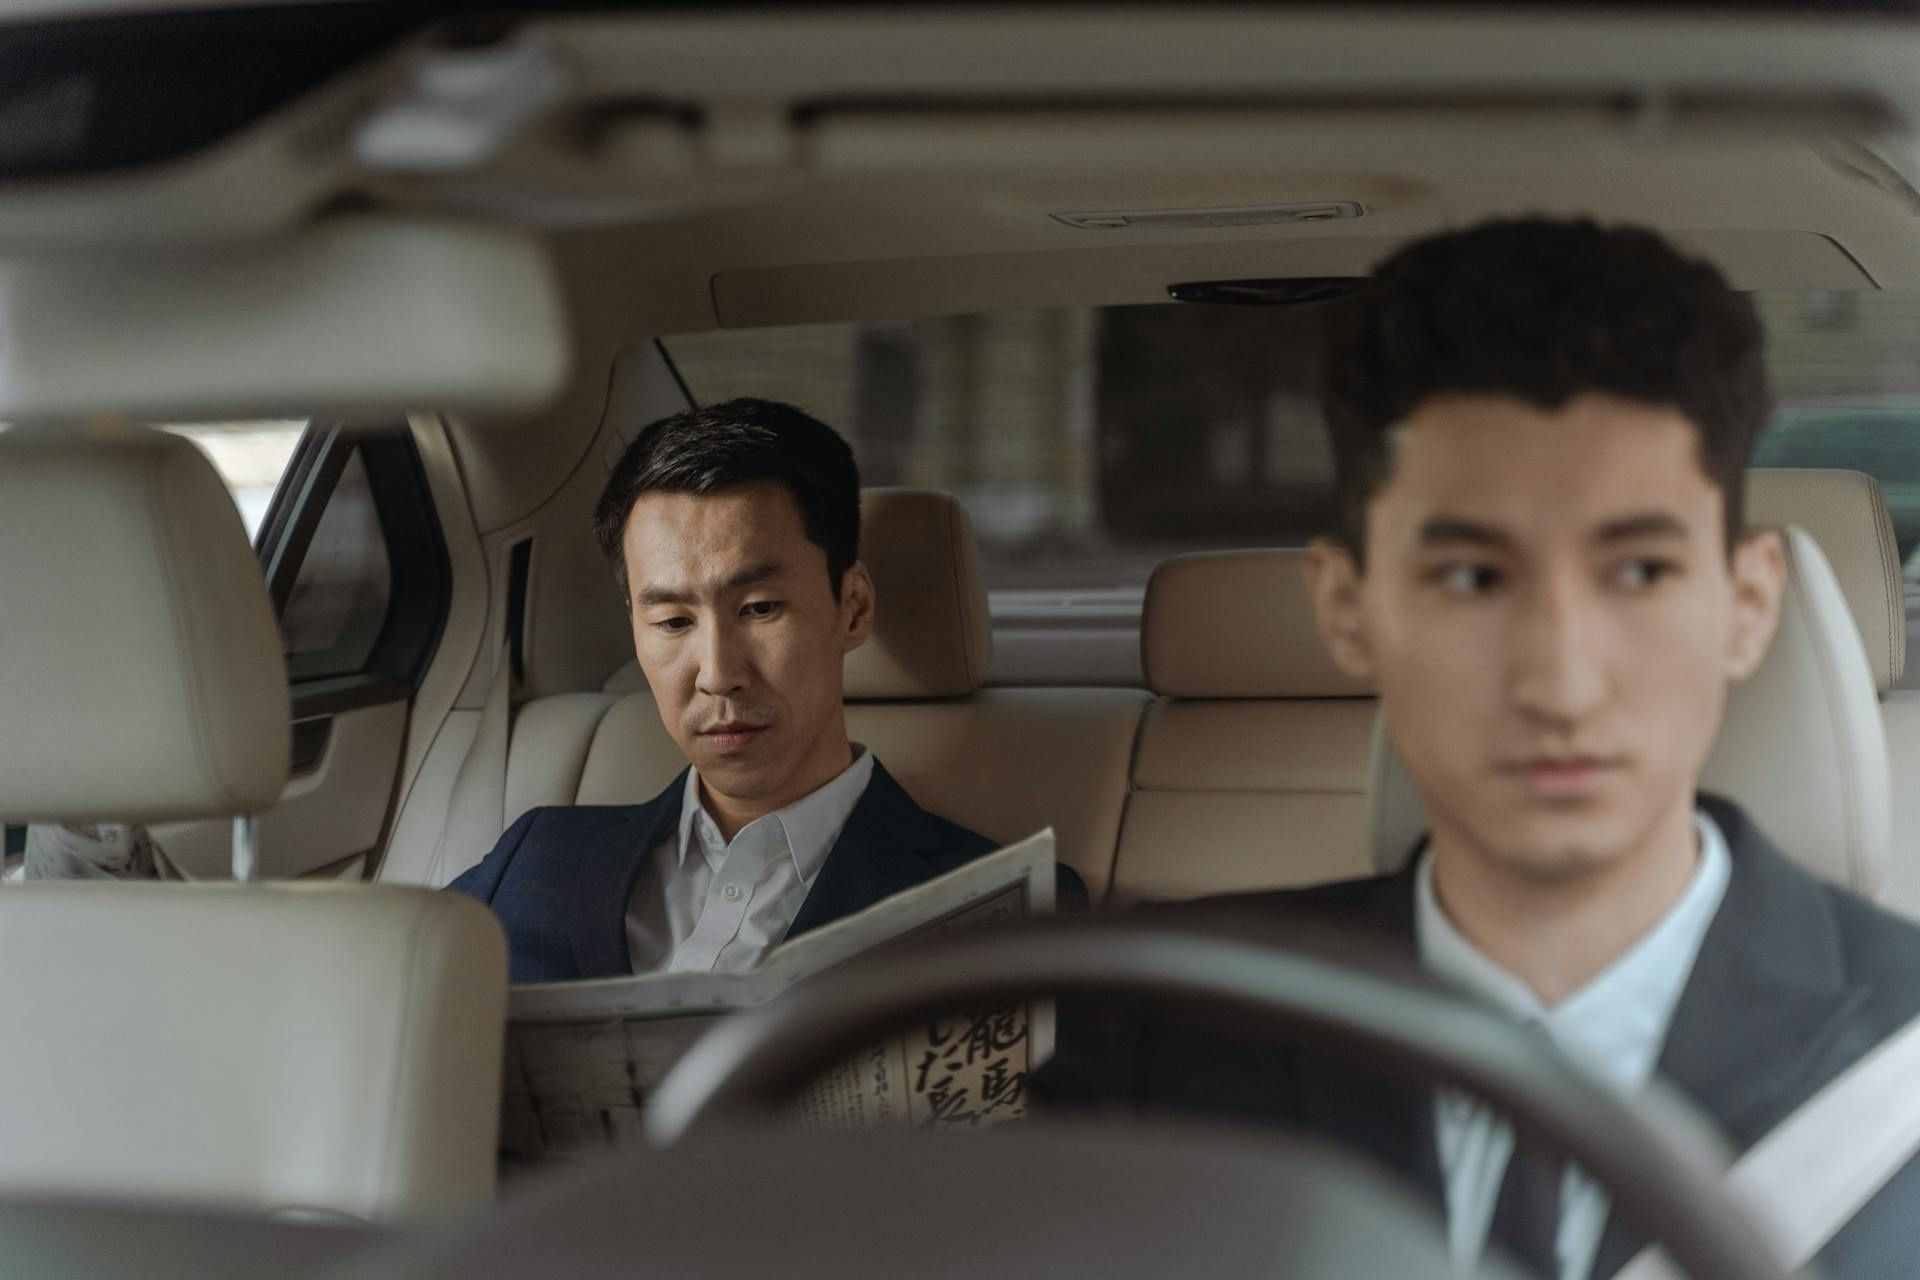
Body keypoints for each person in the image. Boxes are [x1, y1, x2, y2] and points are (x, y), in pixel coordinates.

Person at [1038, 219, 1920, 1280]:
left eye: (1638, 571)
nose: (1559, 683)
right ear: (1347, 606)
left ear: (1746, 603)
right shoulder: (1164, 1030)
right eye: (1472, 578)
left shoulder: (1898, 1064)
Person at [452, 399, 1066, 983]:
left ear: (851, 609)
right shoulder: (533, 860)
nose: (718, 674)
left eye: (760, 607)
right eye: (672, 622)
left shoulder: (1009, 910)